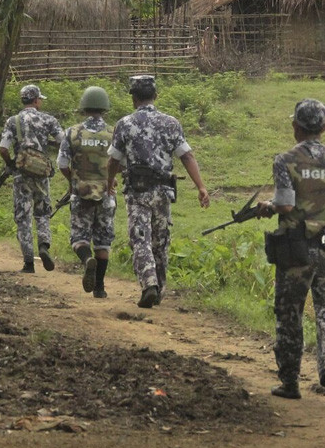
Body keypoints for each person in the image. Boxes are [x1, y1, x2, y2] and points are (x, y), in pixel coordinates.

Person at [256, 99, 325, 407]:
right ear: (324, 128)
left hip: (295, 249)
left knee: (289, 313)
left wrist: (267, 207)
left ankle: (290, 381)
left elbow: (284, 204)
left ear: (295, 126)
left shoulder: (286, 160)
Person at [106, 75, 211, 308]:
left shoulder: (124, 124)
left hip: (136, 191)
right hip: (163, 190)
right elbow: (187, 156)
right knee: (160, 240)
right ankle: (159, 288)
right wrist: (201, 187)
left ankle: (149, 284)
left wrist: (110, 181)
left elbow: (113, 160)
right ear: (156, 96)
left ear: (133, 99)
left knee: (140, 238)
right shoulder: (171, 123)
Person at [0, 84, 66, 274]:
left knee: (23, 217)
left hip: (21, 175)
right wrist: (47, 143)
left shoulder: (13, 121)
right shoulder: (49, 120)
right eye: (40, 99)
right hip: (42, 174)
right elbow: (63, 141)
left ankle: (29, 262)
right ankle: (44, 245)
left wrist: (11, 164)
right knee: (43, 212)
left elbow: (3, 148)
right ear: (36, 100)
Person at [59, 86, 116, 299]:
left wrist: (72, 180)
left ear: (84, 107)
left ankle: (86, 260)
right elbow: (121, 162)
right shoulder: (113, 133)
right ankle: (100, 288)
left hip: (80, 192)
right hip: (106, 193)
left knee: (79, 237)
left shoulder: (72, 132)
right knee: (103, 240)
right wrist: (111, 179)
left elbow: (62, 163)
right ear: (105, 108)